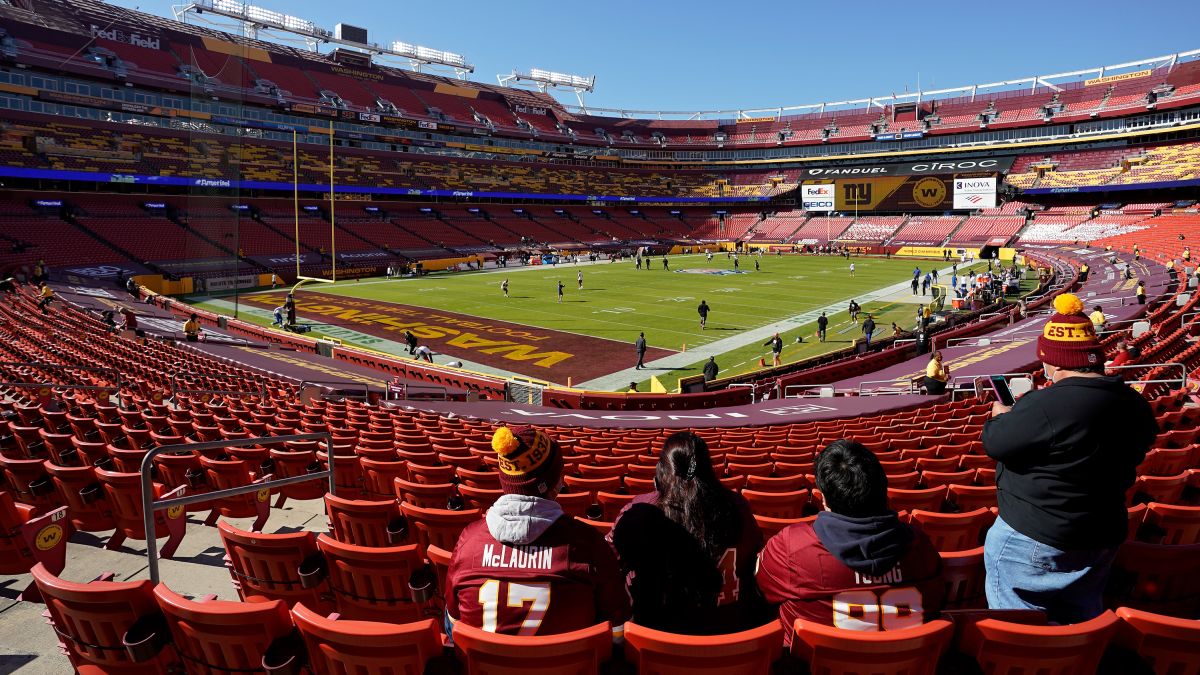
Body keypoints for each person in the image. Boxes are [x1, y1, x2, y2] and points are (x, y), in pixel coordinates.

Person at [981, 293, 1158, 624]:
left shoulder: (1046, 404)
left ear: (1055, 361)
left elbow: (995, 442)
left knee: (1024, 634)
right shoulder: (1133, 403)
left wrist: (1001, 414)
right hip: (1101, 533)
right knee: (1078, 621)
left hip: (1034, 537)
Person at [756, 440, 944, 645]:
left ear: (824, 500)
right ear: (883, 490)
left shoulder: (792, 547)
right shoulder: (919, 545)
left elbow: (761, 591)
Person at [447, 426, 630, 637]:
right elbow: (618, 631)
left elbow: (454, 621)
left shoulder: (469, 541)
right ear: (552, 483)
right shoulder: (588, 545)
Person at [610, 432, 766, 635]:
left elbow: (609, 563)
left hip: (658, 646)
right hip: (730, 641)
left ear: (662, 473)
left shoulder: (642, 510)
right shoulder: (738, 506)